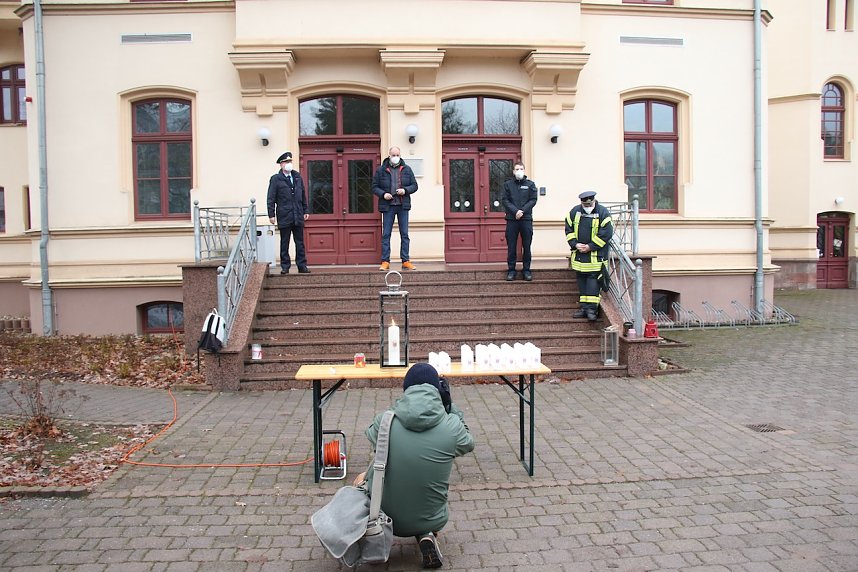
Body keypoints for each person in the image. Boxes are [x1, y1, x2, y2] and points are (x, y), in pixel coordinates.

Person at [354, 363, 474, 569]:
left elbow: (372, 434)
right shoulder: (452, 426)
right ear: (439, 391)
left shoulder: (386, 421)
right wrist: (451, 408)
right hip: (433, 517)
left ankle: (374, 535)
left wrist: (399, 408)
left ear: (406, 390)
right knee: (422, 487)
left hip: (386, 516)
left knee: (361, 477)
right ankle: (425, 534)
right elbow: (468, 442)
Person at [565, 190, 613, 321]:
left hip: (596, 257)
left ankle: (592, 310)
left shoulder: (603, 213)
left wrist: (590, 246)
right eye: (584, 205)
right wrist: (575, 244)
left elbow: (607, 233)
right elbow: (568, 230)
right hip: (580, 256)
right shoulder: (574, 211)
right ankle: (584, 308)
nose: (587, 207)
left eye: (589, 205)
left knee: (593, 282)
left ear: (593, 202)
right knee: (581, 282)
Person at [372, 146, 418, 271]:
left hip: (403, 206)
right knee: (386, 234)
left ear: (400, 155)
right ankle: (385, 261)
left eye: (397, 155)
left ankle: (406, 260)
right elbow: (374, 187)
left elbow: (415, 185)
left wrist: (405, 190)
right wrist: (383, 194)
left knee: (405, 234)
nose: (395, 157)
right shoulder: (381, 170)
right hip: (388, 207)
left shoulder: (407, 169)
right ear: (389, 155)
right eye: (393, 155)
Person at [267, 152, 310, 274]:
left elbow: (302, 195)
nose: (289, 164)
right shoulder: (276, 179)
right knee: (284, 242)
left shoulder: (297, 177)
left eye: (290, 162)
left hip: (298, 214)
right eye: (286, 162)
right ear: (281, 164)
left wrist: (305, 209)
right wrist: (271, 214)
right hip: (284, 215)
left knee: (300, 242)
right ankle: (285, 266)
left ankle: (302, 266)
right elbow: (271, 198)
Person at [502, 161, 538, 281]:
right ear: (513, 171)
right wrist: (515, 211)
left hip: (526, 219)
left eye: (521, 169)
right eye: (517, 169)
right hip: (512, 220)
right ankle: (511, 270)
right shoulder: (508, 184)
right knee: (511, 246)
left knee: (526, 246)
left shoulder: (530, 184)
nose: (519, 171)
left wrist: (522, 211)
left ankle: (526, 270)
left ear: (524, 170)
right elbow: (505, 200)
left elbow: (533, 200)